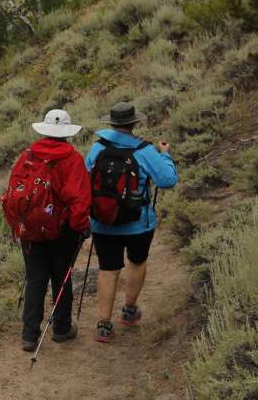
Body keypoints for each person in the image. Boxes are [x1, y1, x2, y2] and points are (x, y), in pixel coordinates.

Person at [85, 102, 177, 343]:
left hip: (103, 222)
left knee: (108, 268)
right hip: (139, 224)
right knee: (137, 262)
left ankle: (103, 325)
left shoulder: (97, 148)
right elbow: (167, 181)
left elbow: (85, 179)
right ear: (134, 123)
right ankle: (129, 309)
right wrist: (165, 156)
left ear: (112, 123)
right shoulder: (145, 150)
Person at [5, 109, 92, 352]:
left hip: (30, 229)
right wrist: (80, 227)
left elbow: (15, 191)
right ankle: (62, 329)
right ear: (66, 133)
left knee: (35, 279)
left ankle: (29, 334)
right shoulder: (72, 160)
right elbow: (79, 200)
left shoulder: (28, 156)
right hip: (61, 231)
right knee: (61, 278)